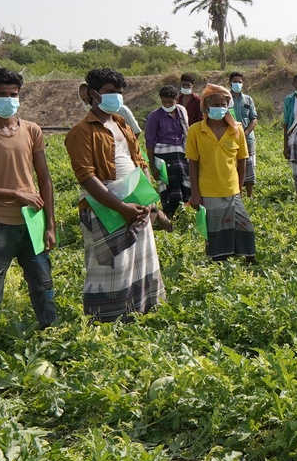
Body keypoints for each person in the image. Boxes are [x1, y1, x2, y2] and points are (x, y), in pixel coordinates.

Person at [65, 68, 166, 323]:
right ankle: (108, 322)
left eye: (120, 93)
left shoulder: (120, 123)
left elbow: (138, 159)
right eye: (111, 93)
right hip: (105, 207)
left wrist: (147, 201)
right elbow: (87, 177)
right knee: (111, 268)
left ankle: (140, 314)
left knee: (138, 262)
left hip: (136, 202)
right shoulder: (81, 131)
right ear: (93, 94)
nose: (117, 98)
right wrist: (121, 207)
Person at [0, 67, 57, 354]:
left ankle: (53, 341)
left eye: (13, 94)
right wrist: (16, 193)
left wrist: (50, 224)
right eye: (1, 95)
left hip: (32, 223)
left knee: (43, 286)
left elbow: (44, 178)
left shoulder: (31, 130)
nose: (8, 99)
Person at [186, 83, 256, 263]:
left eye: (223, 104)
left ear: (228, 106)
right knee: (216, 233)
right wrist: (195, 194)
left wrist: (238, 188)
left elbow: (242, 162)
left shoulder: (236, 129)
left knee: (245, 228)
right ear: (206, 106)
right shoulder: (195, 130)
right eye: (215, 104)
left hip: (232, 190)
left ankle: (250, 263)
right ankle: (219, 267)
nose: (219, 108)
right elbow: (193, 164)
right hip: (208, 191)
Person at [144, 84, 190, 219]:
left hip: (181, 155)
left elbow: (186, 133)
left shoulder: (182, 111)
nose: (167, 104)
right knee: (169, 186)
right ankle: (170, 215)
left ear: (176, 100)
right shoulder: (155, 116)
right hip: (164, 156)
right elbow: (150, 141)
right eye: (164, 102)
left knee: (185, 183)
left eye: (170, 102)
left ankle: (184, 214)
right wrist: (152, 165)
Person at [227, 71, 258, 199]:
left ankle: (249, 196)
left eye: (240, 82)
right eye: (235, 82)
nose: (237, 84)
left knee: (249, 166)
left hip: (247, 138)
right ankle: (236, 193)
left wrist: (245, 132)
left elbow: (254, 119)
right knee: (233, 165)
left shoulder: (248, 99)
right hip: (230, 138)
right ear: (229, 83)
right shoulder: (226, 99)